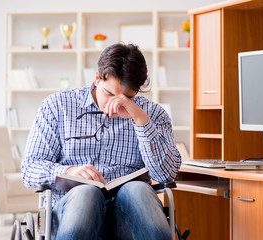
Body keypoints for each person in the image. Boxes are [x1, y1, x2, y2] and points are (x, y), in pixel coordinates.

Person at [21, 43, 181, 240]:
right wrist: (67, 171)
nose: (116, 103)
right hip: (72, 213)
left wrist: (141, 120)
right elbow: (29, 168)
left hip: (127, 218)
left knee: (138, 189)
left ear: (137, 91)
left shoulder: (153, 115)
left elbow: (166, 174)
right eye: (110, 94)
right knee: (86, 193)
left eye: (128, 97)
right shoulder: (57, 106)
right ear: (97, 78)